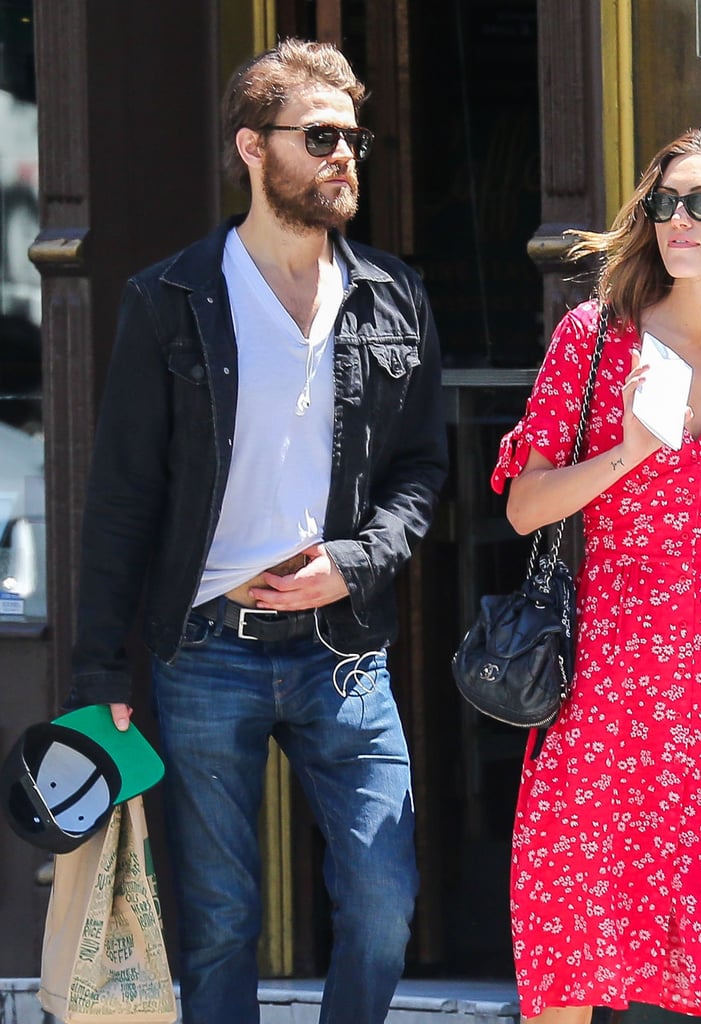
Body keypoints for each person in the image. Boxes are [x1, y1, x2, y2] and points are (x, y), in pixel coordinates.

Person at [66, 38, 448, 1024]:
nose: (343, 159)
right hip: (206, 649)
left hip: (343, 650)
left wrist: (354, 562)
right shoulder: (172, 299)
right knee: (224, 919)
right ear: (250, 147)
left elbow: (419, 472)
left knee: (380, 904)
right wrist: (99, 676)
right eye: (319, 137)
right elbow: (121, 498)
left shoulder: (392, 296)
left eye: (354, 141)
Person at [491, 123, 701, 1024]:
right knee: (575, 946)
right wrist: (629, 454)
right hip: (605, 682)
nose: (678, 220)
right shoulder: (593, 339)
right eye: (664, 202)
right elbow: (524, 506)